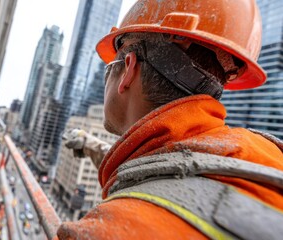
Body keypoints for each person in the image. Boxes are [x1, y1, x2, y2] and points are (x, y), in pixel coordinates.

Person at [57, 0, 283, 239]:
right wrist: (93, 146)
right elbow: (170, 165)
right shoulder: (263, 154)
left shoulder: (105, 231)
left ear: (128, 69)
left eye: (109, 67)